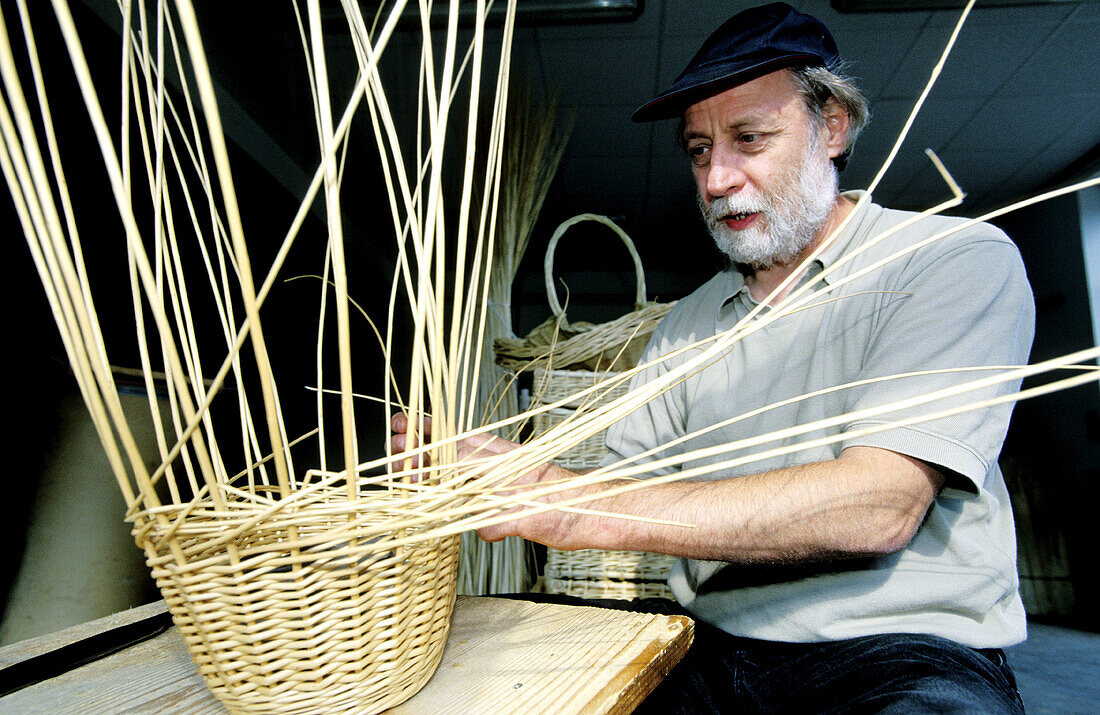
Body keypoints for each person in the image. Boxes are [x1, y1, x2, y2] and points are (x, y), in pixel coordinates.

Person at [393, 3, 1033, 711]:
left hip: (901, 652)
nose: (716, 179)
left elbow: (879, 506)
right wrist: (500, 469)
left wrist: (562, 506)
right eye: (699, 150)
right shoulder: (686, 326)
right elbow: (621, 488)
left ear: (832, 128)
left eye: (748, 138)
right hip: (713, 646)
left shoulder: (948, 261)